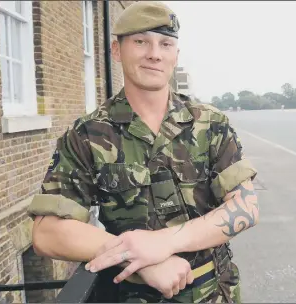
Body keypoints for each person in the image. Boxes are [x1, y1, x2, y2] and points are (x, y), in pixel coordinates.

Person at [27, 1, 259, 303]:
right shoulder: (88, 134)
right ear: (116, 50)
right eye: (140, 41)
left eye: (165, 43)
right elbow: (46, 233)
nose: (154, 53)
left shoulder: (210, 123)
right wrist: (136, 257)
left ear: (175, 55)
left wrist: (162, 243)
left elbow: (246, 207)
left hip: (215, 293)